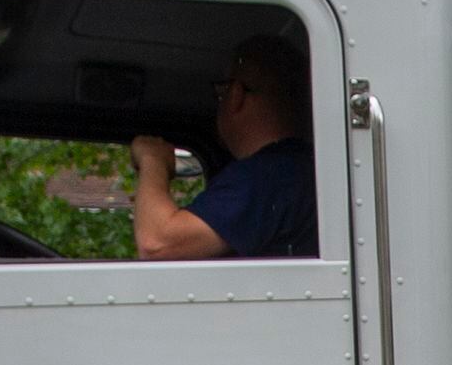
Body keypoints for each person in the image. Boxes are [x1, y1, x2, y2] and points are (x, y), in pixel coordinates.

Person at [130, 35, 317, 259]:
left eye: (222, 92)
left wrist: (153, 159)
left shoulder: (268, 175)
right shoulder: (303, 169)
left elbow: (157, 244)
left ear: (236, 94)